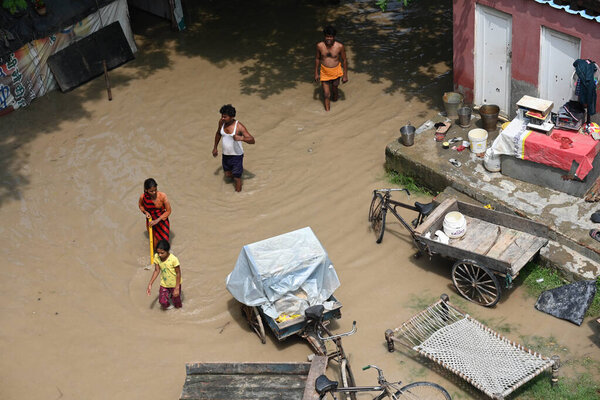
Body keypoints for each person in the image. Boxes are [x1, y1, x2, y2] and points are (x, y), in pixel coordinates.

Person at [212, 104, 255, 192]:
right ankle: (237, 174)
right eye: (222, 116)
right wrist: (215, 147)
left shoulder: (239, 126)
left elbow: (252, 140)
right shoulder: (221, 122)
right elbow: (218, 133)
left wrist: (241, 138)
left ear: (232, 117)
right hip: (225, 155)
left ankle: (238, 194)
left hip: (236, 156)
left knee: (236, 178)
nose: (222, 118)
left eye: (225, 117)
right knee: (227, 174)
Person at [314, 26, 348, 111]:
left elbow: (344, 60)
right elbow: (317, 59)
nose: (329, 38)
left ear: (334, 37)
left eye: (331, 36)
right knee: (326, 94)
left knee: (335, 90)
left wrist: (345, 75)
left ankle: (335, 102)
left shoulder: (340, 46)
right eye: (327, 36)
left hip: (336, 71)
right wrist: (316, 73)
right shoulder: (320, 46)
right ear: (324, 36)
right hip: (324, 72)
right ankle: (328, 112)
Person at [146, 240, 182, 310]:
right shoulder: (156, 257)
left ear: (167, 251)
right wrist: (150, 283)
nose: (160, 255)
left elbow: (178, 273)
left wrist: (177, 288)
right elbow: (157, 270)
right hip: (164, 284)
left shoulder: (174, 259)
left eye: (162, 253)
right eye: (158, 252)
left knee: (177, 304)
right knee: (162, 302)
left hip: (174, 284)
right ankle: (169, 307)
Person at [138, 178, 171, 247]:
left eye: (155, 190)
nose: (154, 193)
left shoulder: (162, 196)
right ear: (146, 190)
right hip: (150, 221)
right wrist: (145, 212)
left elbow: (168, 211)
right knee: (155, 245)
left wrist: (157, 220)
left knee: (164, 244)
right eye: (151, 191)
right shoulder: (143, 197)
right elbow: (141, 206)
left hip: (162, 220)